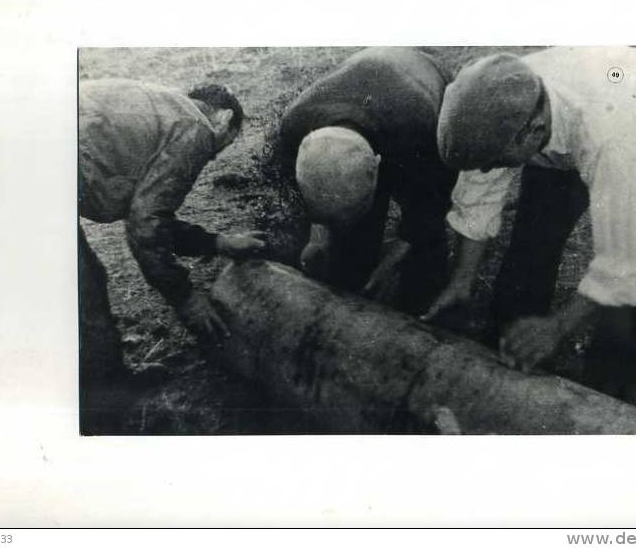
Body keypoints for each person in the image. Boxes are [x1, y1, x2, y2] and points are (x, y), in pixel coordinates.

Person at [423, 47, 636, 402]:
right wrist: (462, 282)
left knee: (629, 304)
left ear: (533, 132)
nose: (489, 170)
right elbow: (478, 196)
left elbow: (627, 257)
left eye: (495, 161)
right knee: (530, 251)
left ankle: (607, 399)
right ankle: (505, 361)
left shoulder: (607, 134)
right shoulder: (503, 97)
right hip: (566, 131)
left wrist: (559, 327)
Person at [78, 78, 265, 432]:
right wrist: (186, 298)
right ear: (224, 119)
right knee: (83, 300)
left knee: (90, 280)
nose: (213, 156)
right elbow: (145, 229)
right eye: (224, 146)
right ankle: (103, 426)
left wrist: (219, 243)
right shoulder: (194, 128)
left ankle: (112, 385)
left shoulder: (164, 107)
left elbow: (147, 217)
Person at [278, 47, 457, 314]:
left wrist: (400, 250)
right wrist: (319, 235)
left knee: (424, 244)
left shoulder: (420, 127)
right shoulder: (294, 125)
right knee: (352, 250)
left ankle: (427, 309)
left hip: (421, 81)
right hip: (368, 94)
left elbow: (436, 197)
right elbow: (313, 195)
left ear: (377, 166)